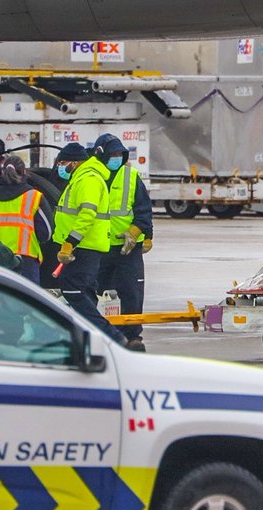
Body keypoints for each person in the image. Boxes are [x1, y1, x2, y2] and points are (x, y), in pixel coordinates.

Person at [52, 142, 129, 344]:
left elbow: (88, 214)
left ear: (75, 163)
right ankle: (91, 339)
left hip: (83, 247)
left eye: (64, 162)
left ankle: (111, 337)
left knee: (72, 290)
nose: (61, 166)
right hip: (84, 246)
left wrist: (70, 242)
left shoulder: (88, 180)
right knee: (84, 292)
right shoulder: (82, 177)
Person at [92, 133, 154, 351]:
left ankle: (133, 336)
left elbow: (144, 210)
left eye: (120, 154)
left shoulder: (130, 176)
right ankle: (100, 330)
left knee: (132, 292)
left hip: (128, 248)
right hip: (99, 246)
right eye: (113, 154)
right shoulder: (92, 176)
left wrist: (137, 232)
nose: (117, 158)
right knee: (96, 291)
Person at [0, 155, 53, 285]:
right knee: (26, 302)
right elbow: (45, 232)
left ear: (2, 172)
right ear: (24, 172)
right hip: (25, 259)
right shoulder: (34, 197)